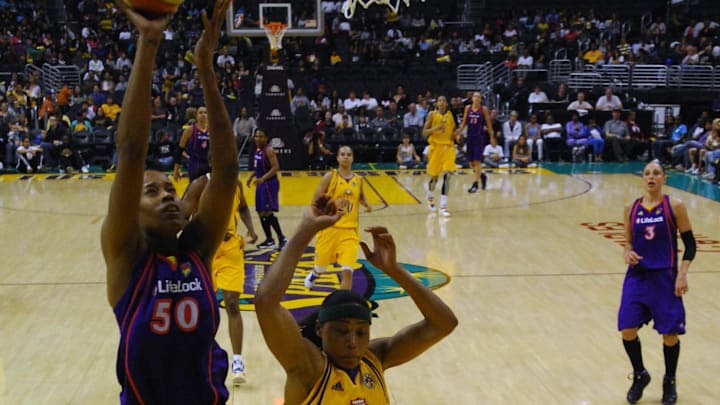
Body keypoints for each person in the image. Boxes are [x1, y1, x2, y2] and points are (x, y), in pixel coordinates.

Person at [101, 1, 235, 403]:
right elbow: (131, 151)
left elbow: (226, 172)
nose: (168, 198)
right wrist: (149, 42)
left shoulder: (198, 249)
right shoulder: (126, 256)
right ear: (132, 214)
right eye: (152, 192)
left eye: (172, 191)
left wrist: (206, 70)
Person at [254, 196, 458, 405]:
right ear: (319, 329)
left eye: (361, 332)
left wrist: (394, 270)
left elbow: (444, 324)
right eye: (341, 331)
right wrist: (306, 231)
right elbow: (266, 302)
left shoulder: (375, 358)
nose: (352, 342)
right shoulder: (309, 369)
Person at [619, 161, 695, 405]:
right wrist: (627, 252)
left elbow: (691, 244)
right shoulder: (631, 207)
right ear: (642, 178)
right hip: (638, 276)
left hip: (665, 276)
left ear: (664, 178)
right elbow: (628, 242)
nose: (651, 177)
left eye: (656, 173)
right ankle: (640, 374)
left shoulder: (675, 205)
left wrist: (682, 273)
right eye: (647, 173)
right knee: (627, 329)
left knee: (670, 334)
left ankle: (669, 380)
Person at [183, 173, 258, 385]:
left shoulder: (236, 183)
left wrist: (251, 229)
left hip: (231, 249)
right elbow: (183, 214)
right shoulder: (200, 184)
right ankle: (199, 355)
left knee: (232, 304)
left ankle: (237, 362)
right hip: (205, 250)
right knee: (202, 306)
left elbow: (242, 207)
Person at [305, 146, 372, 291]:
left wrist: (366, 204)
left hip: (350, 231)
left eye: (349, 154)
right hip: (330, 229)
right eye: (343, 154)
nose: (346, 157)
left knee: (348, 271)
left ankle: (343, 303)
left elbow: (360, 196)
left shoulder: (359, 179)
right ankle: (316, 273)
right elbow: (315, 200)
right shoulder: (330, 177)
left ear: (352, 158)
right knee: (321, 266)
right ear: (338, 158)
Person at [246, 128, 287, 250]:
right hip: (261, 183)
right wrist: (252, 176)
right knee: (260, 212)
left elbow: (275, 167)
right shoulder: (258, 150)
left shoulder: (268, 150)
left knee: (267, 212)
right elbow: (258, 167)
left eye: (261, 136)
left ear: (265, 138)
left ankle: (282, 238)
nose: (258, 138)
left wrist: (263, 178)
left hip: (269, 184)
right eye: (256, 136)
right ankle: (269, 239)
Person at [423, 95, 456, 216]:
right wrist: (436, 128)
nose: (442, 102)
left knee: (447, 176)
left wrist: (455, 135)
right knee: (435, 178)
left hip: (448, 148)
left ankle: (443, 206)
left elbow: (453, 131)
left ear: (446, 104)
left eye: (444, 100)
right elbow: (424, 132)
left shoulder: (450, 115)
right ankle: (430, 195)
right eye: (440, 100)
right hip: (436, 148)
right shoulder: (432, 114)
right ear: (437, 103)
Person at [455, 92, 493, 192]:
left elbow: (489, 124)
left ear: (480, 99)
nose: (476, 98)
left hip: (479, 138)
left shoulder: (483, 109)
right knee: (471, 162)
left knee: (477, 161)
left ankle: (476, 184)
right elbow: (463, 124)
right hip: (470, 137)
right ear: (472, 98)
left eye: (478, 97)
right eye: (475, 96)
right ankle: (482, 176)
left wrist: (492, 137)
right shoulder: (468, 108)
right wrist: (458, 133)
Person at [174, 105, 211, 182]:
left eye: (205, 112)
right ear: (196, 116)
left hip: (207, 164)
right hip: (195, 164)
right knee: (195, 189)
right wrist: (176, 169)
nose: (203, 114)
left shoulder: (212, 131)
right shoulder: (190, 130)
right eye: (200, 113)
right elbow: (180, 150)